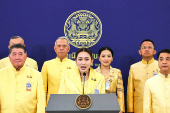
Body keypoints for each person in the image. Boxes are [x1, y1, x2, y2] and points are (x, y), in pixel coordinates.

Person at [0, 44, 45, 113]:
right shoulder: (1, 74)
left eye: (20, 54)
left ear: (26, 57)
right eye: (14, 54)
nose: (17, 57)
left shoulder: (36, 75)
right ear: (9, 57)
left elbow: (41, 100)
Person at [41, 36, 76, 105]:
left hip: (70, 102)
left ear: (68, 49)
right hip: (51, 103)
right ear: (55, 48)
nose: (61, 48)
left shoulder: (75, 65)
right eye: (59, 46)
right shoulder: (47, 64)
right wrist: (44, 105)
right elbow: (43, 88)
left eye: (64, 46)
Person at [127, 39, 159, 113]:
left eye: (149, 47)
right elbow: (130, 91)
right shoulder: (133, 67)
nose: (147, 49)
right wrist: (130, 109)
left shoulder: (160, 66)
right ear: (139, 52)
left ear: (154, 52)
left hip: (157, 107)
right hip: (139, 107)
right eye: (144, 48)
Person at [95, 46, 125, 113]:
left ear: (112, 58)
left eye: (109, 56)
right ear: (99, 58)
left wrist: (120, 110)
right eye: (103, 56)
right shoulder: (93, 73)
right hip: (97, 107)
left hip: (113, 107)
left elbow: (120, 92)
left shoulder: (117, 72)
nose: (106, 59)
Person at [143, 49, 170, 113]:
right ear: (158, 61)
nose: (164, 62)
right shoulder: (149, 83)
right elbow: (147, 109)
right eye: (161, 59)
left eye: (167, 59)